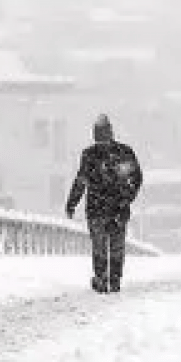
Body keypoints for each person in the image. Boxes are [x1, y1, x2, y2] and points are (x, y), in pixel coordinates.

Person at [65, 114, 143, 293]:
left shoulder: (92, 155)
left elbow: (81, 181)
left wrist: (72, 203)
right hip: (114, 208)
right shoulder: (122, 153)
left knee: (104, 246)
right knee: (113, 246)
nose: (102, 143)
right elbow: (135, 178)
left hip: (102, 208)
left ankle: (105, 279)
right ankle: (110, 279)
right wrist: (127, 197)